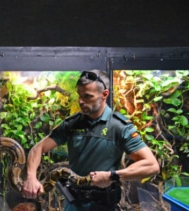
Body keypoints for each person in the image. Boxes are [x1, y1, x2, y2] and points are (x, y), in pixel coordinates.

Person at [22, 69, 160, 211]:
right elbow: (38, 148)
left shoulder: (119, 126)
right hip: (73, 204)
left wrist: (112, 176)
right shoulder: (71, 124)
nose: (81, 101)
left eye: (87, 96)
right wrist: (31, 177)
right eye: (80, 96)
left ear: (104, 95)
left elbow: (151, 165)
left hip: (103, 205)